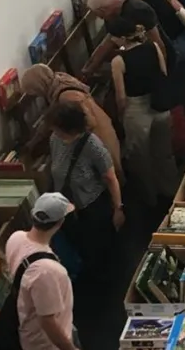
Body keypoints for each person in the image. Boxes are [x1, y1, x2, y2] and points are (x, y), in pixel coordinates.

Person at [106, 17, 179, 207]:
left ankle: (150, 198)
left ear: (121, 38)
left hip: (136, 108)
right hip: (159, 103)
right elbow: (163, 73)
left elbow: (121, 96)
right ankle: (171, 191)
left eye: (113, 37)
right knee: (164, 152)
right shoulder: (153, 47)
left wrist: (121, 115)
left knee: (140, 157)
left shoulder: (118, 61)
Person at [48, 102, 124, 281]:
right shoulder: (55, 139)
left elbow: (111, 178)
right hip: (67, 207)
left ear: (70, 128)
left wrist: (118, 208)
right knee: (78, 245)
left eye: (58, 130)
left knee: (98, 251)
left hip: (92, 207)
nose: (55, 133)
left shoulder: (92, 145)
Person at [21, 64, 123, 183]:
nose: (38, 96)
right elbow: (51, 114)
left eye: (35, 92)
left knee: (111, 176)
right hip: (103, 125)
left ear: (39, 86)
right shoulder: (60, 80)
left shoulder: (66, 97)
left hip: (99, 136)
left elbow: (90, 122)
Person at [5, 192, 80, 350]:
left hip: (27, 330)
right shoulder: (47, 271)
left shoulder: (15, 238)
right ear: (60, 222)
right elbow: (48, 322)